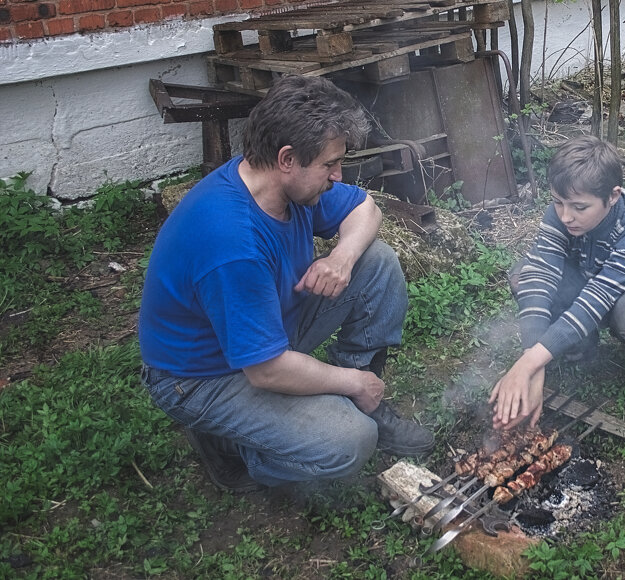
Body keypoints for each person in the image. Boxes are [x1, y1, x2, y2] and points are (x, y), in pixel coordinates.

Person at [138, 76, 434, 494]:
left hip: (264, 331)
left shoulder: (280, 186)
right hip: (203, 377)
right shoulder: (233, 242)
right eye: (330, 164)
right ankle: (236, 447)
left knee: (376, 261)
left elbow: (365, 208)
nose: (338, 175)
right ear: (287, 159)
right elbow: (266, 370)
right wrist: (351, 380)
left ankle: (358, 402)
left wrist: (341, 257)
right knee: (349, 442)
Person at [490, 135, 625, 430]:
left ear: (613, 196)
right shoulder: (562, 213)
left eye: (580, 207)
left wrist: (527, 366)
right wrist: (534, 357)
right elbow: (541, 274)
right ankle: (581, 342)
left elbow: (600, 296)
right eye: (558, 202)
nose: (566, 216)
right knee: (525, 275)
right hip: (591, 276)